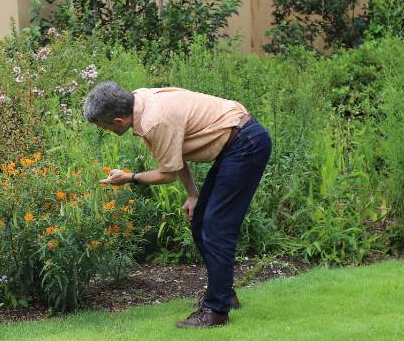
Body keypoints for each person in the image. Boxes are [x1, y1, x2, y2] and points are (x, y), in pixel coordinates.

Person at [82, 81, 272, 328]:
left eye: (104, 126)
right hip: (237, 141)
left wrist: (129, 177)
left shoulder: (155, 121)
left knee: (217, 228)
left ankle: (216, 311)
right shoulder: (140, 99)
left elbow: (167, 174)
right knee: (201, 220)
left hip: (245, 144)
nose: (105, 130)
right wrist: (193, 195)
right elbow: (176, 154)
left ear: (119, 121)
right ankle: (224, 294)